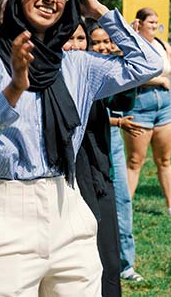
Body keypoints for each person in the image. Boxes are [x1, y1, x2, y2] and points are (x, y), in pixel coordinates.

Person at [0, 0, 162, 296]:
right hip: (10, 211)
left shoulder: (77, 65)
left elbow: (149, 63)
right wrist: (14, 89)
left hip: (70, 205)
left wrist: (99, 13)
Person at [86, 19, 146, 284]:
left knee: (121, 199)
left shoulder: (112, 69)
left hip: (111, 139)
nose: (102, 47)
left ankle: (125, 263)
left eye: (106, 41)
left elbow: (122, 102)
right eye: (96, 42)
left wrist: (126, 55)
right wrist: (118, 121)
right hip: (85, 141)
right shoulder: (80, 69)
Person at [64, 22, 121, 297]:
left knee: (107, 253)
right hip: (68, 175)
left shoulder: (92, 75)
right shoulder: (51, 77)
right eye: (68, 39)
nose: (76, 46)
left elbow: (145, 69)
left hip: (97, 170)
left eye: (80, 38)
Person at [124, 7, 171, 225]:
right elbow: (128, 74)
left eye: (156, 22)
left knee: (164, 160)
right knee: (135, 161)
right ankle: (124, 209)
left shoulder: (162, 45)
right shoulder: (133, 44)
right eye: (151, 22)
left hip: (164, 108)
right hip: (140, 105)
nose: (155, 26)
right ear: (140, 23)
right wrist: (157, 80)